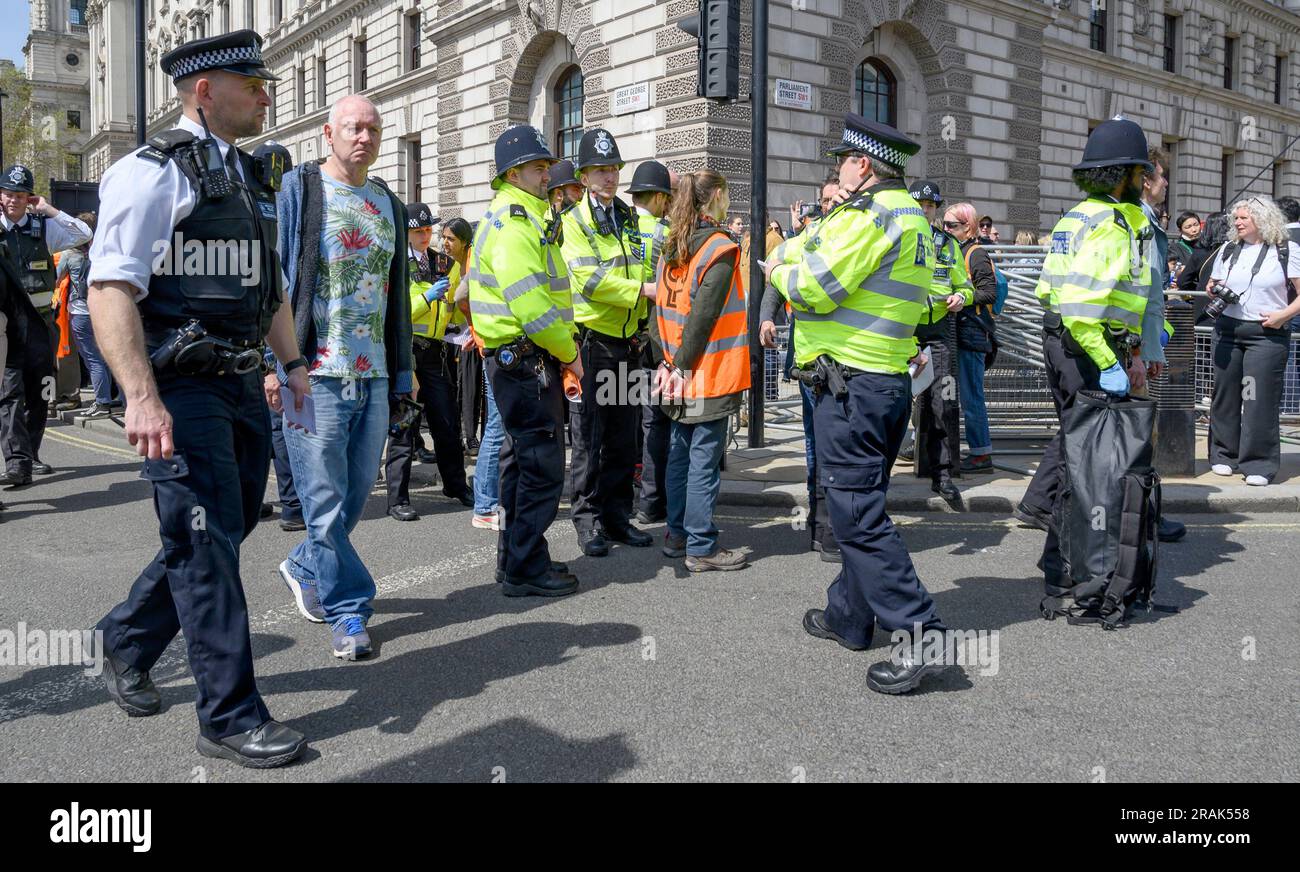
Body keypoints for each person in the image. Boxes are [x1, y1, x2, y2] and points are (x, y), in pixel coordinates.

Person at [89, 30, 309, 767]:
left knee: (227, 522)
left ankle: (123, 640)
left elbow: (268, 281)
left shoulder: (248, 175)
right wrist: (141, 400)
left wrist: (292, 361)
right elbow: (111, 288)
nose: (267, 95)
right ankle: (229, 714)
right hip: (182, 388)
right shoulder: (150, 173)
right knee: (207, 546)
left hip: (243, 382)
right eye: (254, 84)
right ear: (205, 90)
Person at [766, 113, 953, 694]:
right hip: (884, 381)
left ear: (863, 165)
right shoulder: (912, 219)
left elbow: (813, 288)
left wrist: (777, 266)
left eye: (842, 160)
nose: (837, 167)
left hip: (851, 384)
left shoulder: (871, 214)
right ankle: (850, 616)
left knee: (854, 511)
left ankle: (922, 635)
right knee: (859, 501)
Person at [273, 94, 414, 660]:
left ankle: (305, 563)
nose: (365, 137)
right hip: (315, 373)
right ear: (327, 134)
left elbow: (396, 294)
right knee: (325, 501)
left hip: (373, 373)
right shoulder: (300, 191)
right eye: (353, 128)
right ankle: (349, 610)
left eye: (373, 129)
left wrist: (402, 371)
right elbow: (277, 279)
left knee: (355, 496)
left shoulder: (388, 202)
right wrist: (279, 363)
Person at [1023, 117, 1155, 604]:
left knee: (1077, 449)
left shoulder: (1075, 216)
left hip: (1062, 344)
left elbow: (1050, 290)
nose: (1144, 181)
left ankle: (1059, 559)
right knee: (1086, 462)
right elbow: (1083, 312)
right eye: (1141, 173)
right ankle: (1064, 565)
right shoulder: (1115, 226)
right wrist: (1112, 362)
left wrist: (1139, 330)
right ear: (1125, 174)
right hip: (1086, 349)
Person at [470, 124, 582, 596]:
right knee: (542, 466)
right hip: (526, 360)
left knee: (520, 464)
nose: (547, 176)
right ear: (514, 173)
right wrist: (571, 353)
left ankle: (516, 559)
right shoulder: (515, 223)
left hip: (517, 361)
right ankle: (524, 567)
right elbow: (533, 308)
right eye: (539, 168)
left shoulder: (519, 217)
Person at [561, 128, 657, 556]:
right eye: (600, 170)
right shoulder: (573, 222)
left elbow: (640, 263)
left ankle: (618, 517)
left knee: (625, 437)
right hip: (592, 344)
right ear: (583, 176)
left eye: (614, 169)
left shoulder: (628, 217)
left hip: (628, 342)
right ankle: (586, 520)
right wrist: (642, 292)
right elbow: (589, 279)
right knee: (588, 437)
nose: (609, 177)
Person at [652, 169, 750, 571]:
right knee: (702, 461)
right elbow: (704, 317)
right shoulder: (719, 249)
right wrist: (682, 366)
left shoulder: (671, 245)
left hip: (676, 368)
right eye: (726, 196)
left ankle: (677, 535)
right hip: (706, 372)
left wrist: (666, 361)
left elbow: (657, 310)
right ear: (716, 198)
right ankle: (702, 546)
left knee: (679, 455)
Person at [760, 172, 842, 562]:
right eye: (824, 201)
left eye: (834, 199)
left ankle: (831, 529)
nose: (828, 207)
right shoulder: (808, 239)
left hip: (848, 367)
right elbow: (775, 278)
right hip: (811, 368)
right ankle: (818, 524)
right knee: (814, 447)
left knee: (835, 452)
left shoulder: (851, 238)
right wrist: (765, 317)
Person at [0, 165, 92, 486]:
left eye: (20, 195)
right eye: (9, 195)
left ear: (29, 197)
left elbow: (84, 233)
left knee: (41, 393)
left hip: (41, 327)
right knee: (10, 392)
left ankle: (31, 454)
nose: (14, 201)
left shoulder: (42, 228)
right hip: (6, 328)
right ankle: (16, 461)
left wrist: (49, 209)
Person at [385, 203, 472, 521]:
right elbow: (396, 312)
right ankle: (398, 498)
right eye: (418, 231)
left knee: (447, 422)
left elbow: (454, 303)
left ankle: (456, 485)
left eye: (428, 230)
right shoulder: (397, 264)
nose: (425, 235)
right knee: (404, 425)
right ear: (406, 232)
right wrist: (426, 298)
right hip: (407, 352)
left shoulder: (443, 262)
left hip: (436, 352)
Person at [1205, 196, 1300, 486]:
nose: (1237, 223)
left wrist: (1283, 316)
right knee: (1225, 395)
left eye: (1243, 218)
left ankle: (1259, 463)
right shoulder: (1229, 249)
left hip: (1266, 333)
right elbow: (1215, 283)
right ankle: (1223, 455)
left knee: (1257, 398)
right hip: (1227, 329)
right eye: (1236, 219)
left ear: (1262, 219)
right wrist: (1213, 289)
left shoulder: (1287, 250)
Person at [907, 180, 971, 501]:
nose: (925, 210)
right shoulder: (901, 238)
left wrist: (961, 295)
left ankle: (942, 475)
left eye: (930, 206)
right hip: (903, 330)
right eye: (920, 205)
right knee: (891, 401)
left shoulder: (948, 244)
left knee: (942, 403)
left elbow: (966, 286)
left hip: (938, 333)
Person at [1138, 148, 1187, 541]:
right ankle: (1142, 519)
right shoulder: (1138, 221)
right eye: (1161, 176)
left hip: (1136, 349)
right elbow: (1142, 293)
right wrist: (1146, 350)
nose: (1166, 183)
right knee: (1140, 440)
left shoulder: (1145, 220)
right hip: (1131, 352)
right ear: (1145, 181)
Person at [445, 216, 505, 530]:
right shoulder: (475, 257)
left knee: (498, 427)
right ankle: (485, 504)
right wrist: (477, 330)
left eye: (449, 238)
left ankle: (489, 499)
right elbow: (461, 298)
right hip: (493, 349)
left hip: (489, 346)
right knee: (496, 428)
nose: (444, 244)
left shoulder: (473, 257)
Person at [627, 160, 674, 524]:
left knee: (621, 420)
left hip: (620, 334)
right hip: (656, 339)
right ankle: (652, 501)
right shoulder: (665, 232)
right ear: (658, 197)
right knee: (655, 422)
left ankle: (627, 497)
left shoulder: (622, 228)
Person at [946, 202, 998, 473]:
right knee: (960, 396)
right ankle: (974, 452)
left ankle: (981, 454)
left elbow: (989, 293)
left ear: (968, 226)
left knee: (971, 396)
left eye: (951, 225)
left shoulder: (975, 254)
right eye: (943, 225)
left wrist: (962, 298)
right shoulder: (958, 251)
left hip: (972, 334)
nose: (945, 230)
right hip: (961, 334)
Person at [62, 212, 119, 419]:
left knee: (92, 358)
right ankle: (120, 398)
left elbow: (56, 277)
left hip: (81, 312)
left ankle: (102, 402)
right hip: (105, 309)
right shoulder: (103, 252)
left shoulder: (70, 255)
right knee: (110, 355)